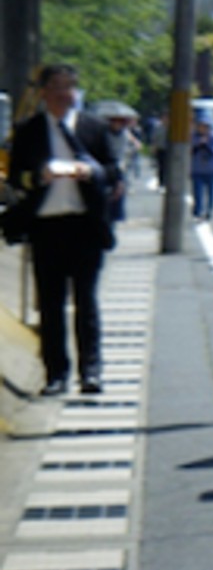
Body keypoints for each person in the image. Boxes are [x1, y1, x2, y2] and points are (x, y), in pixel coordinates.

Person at [7, 63, 121, 396]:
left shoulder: (94, 128)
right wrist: (40, 175)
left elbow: (114, 171)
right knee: (52, 304)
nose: (64, 93)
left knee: (86, 301)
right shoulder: (29, 130)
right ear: (43, 93)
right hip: (47, 226)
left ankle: (92, 371)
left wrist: (92, 171)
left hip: (86, 225)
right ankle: (55, 373)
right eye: (56, 86)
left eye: (69, 86)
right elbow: (17, 178)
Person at [189, 114, 213, 220]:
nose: (203, 128)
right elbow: (190, 151)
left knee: (211, 191)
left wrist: (206, 145)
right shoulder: (193, 137)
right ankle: (198, 211)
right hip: (197, 169)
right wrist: (198, 144)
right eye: (200, 126)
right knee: (197, 192)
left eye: (205, 126)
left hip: (211, 169)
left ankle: (209, 210)